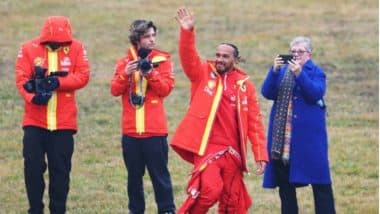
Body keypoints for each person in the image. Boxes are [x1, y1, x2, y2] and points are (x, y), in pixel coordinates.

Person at [170, 7, 268, 214]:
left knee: (234, 202)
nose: (220, 59)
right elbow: (188, 58)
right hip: (208, 148)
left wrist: (260, 154)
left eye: (225, 56)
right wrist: (187, 32)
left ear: (235, 60)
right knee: (209, 191)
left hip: (233, 153)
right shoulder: (203, 72)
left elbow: (254, 121)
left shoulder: (244, 85)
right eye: (217, 55)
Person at [15, 16, 90, 214]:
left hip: (63, 124)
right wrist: (33, 97)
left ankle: (58, 210)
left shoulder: (77, 48)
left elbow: (83, 75)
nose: (55, 45)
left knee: (61, 172)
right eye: (51, 42)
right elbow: (21, 79)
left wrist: (58, 83)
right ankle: (35, 210)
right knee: (32, 169)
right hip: (34, 122)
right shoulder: (27, 49)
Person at [261, 36, 336, 214]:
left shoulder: (315, 71)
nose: (295, 55)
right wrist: (273, 71)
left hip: (308, 139)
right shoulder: (281, 71)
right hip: (282, 139)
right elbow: (267, 92)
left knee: (320, 183)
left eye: (300, 52)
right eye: (292, 51)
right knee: (285, 187)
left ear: (309, 54)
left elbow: (315, 93)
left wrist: (299, 74)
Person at [110, 19, 176, 214]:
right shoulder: (124, 62)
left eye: (154, 35)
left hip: (154, 132)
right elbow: (114, 90)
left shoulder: (162, 60)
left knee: (160, 177)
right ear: (137, 39)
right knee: (133, 178)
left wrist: (150, 74)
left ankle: (167, 210)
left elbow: (165, 89)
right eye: (147, 36)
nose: (152, 40)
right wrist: (125, 74)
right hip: (131, 133)